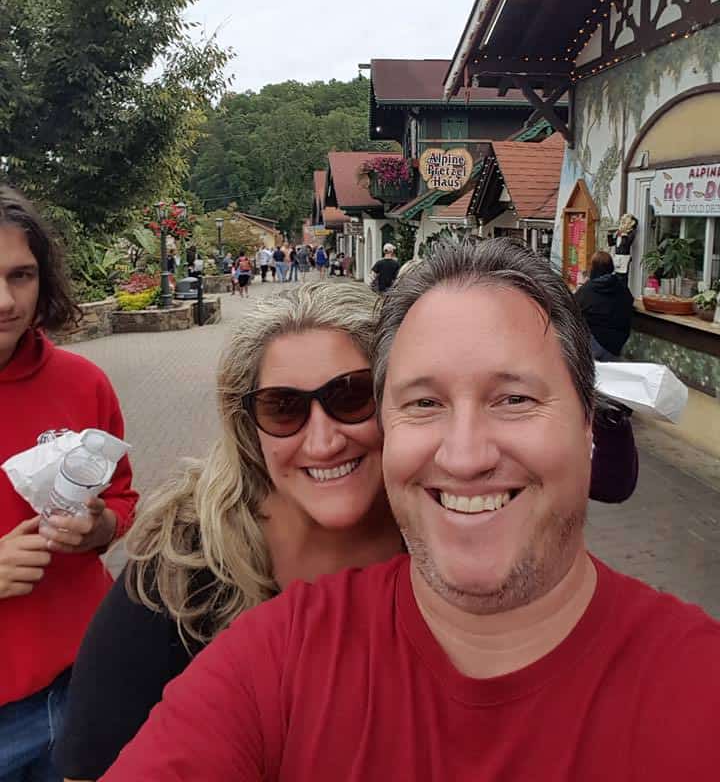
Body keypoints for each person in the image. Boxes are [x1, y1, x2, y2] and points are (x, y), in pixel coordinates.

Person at [97, 240, 710, 782]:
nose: (466, 456)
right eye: (424, 403)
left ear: (588, 425)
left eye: (515, 398)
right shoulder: (274, 656)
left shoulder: (695, 687)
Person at [56, 281, 403, 781]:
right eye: (284, 408)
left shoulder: (438, 535)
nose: (323, 441)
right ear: (249, 425)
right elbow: (91, 764)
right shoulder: (189, 562)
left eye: (352, 398)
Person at [0, 185, 138, 782]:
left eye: (21, 275)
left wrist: (100, 527)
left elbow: (121, 499)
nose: (4, 300)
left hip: (82, 685)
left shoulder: (84, 384)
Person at [575, 250, 635, 361]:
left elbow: (573, 310)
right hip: (616, 345)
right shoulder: (622, 287)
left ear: (593, 268)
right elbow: (629, 303)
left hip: (593, 344)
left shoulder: (587, 290)